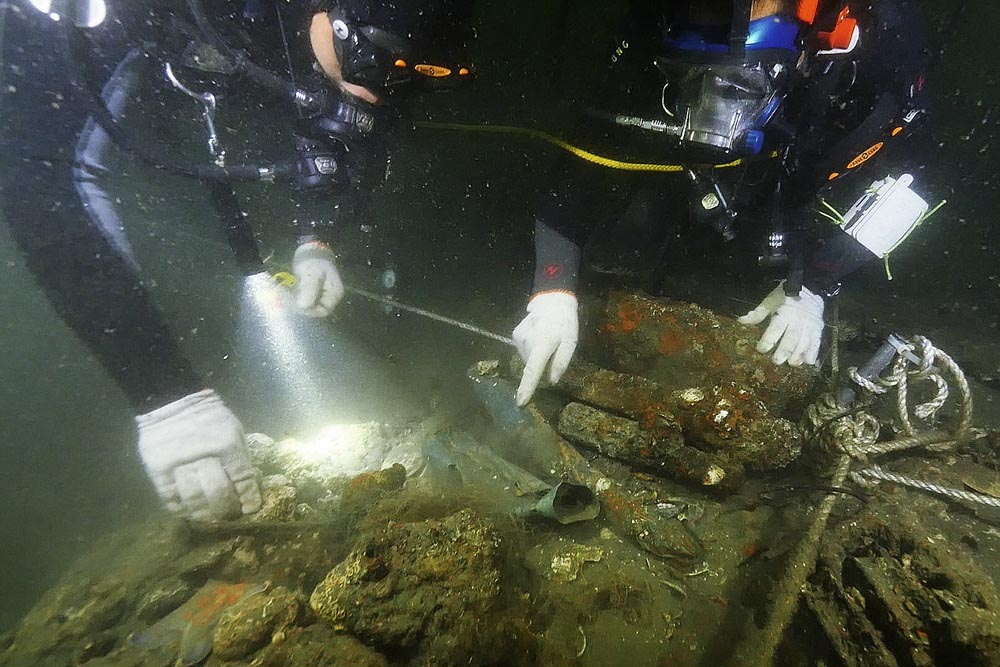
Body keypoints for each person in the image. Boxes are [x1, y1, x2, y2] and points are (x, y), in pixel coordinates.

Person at [0, 0, 472, 520]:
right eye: (371, 62)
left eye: (411, 80)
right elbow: (41, 175)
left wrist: (317, 237)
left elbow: (337, 131)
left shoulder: (339, 46)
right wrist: (166, 399)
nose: (375, 94)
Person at [512, 0, 933, 406]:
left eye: (739, 84)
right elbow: (582, 164)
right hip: (691, 175)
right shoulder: (656, 25)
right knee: (630, 242)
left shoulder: (881, 48)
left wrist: (818, 283)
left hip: (801, 168)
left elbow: (916, 185)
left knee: (763, 276)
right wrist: (552, 290)